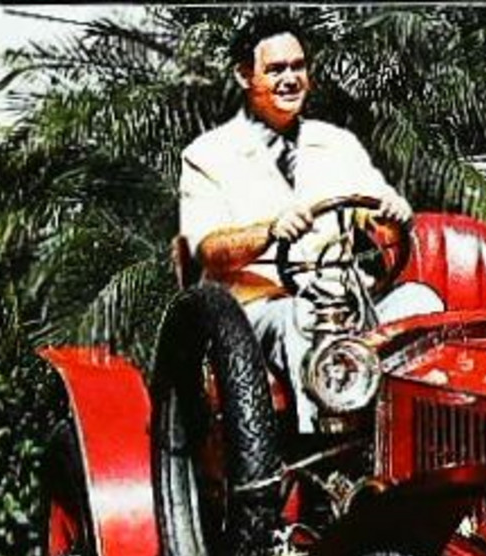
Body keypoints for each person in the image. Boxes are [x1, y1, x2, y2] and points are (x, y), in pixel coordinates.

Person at [179, 15, 442, 431]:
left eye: (297, 67)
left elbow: (379, 223)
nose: (290, 79)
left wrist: (390, 215)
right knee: (302, 314)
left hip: (348, 303)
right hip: (258, 311)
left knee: (421, 303)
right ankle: (321, 446)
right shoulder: (208, 155)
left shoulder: (337, 144)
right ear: (245, 75)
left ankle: (416, 444)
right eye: (276, 69)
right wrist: (269, 230)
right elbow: (208, 249)